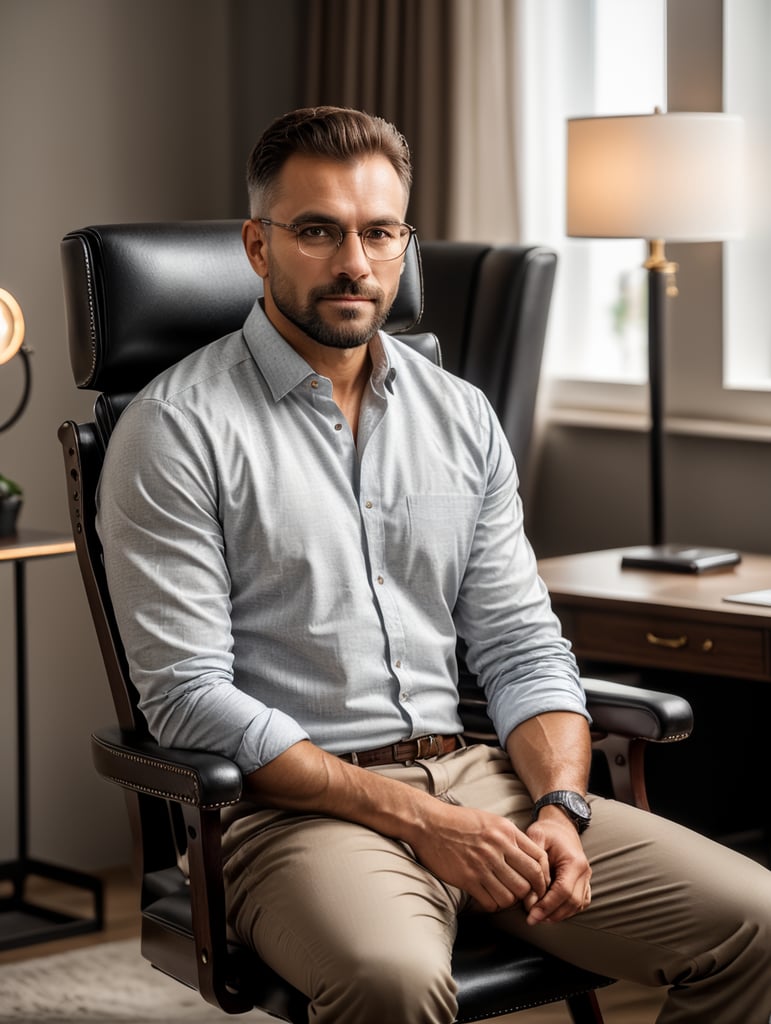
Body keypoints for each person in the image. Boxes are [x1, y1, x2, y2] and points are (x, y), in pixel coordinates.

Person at [96, 106, 771, 1024]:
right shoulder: (175, 428)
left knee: (753, 922)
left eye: (380, 232)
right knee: (392, 982)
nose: (354, 263)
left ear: (405, 242)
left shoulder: (459, 415)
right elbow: (186, 697)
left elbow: (522, 646)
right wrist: (420, 820)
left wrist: (560, 809)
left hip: (481, 780)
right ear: (258, 246)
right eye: (317, 231)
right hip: (291, 813)